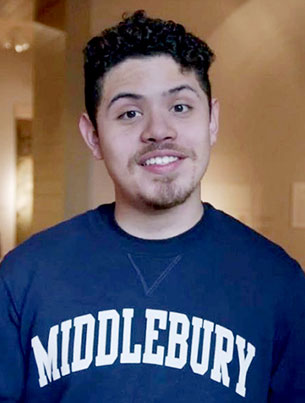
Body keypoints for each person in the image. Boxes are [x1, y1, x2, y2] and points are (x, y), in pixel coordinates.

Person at [0, 10, 304, 402]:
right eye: (130, 113)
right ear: (92, 136)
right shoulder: (24, 276)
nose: (158, 130)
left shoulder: (279, 283)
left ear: (212, 120)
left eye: (180, 107)